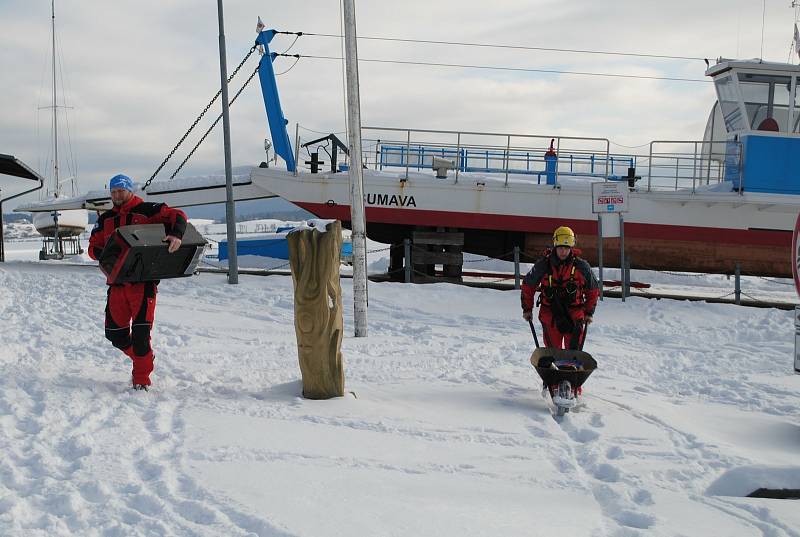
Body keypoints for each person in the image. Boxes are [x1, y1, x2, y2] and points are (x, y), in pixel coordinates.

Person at [88, 174, 188, 391]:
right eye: (113, 192)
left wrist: (176, 235)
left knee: (141, 336)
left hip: (143, 285)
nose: (116, 195)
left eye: (120, 191)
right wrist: (107, 255)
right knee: (115, 334)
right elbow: (92, 247)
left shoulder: (148, 210)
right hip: (116, 284)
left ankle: (141, 380)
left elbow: (178, 216)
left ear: (130, 191)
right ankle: (144, 358)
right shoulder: (105, 219)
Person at [521, 226, 600, 350]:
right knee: (553, 353)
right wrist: (527, 309)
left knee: (573, 354)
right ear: (555, 247)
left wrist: (589, 312)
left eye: (566, 248)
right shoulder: (543, 265)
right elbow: (528, 287)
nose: (563, 252)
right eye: (561, 248)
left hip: (575, 316)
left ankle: (571, 369)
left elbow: (593, 290)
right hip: (550, 316)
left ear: (571, 248)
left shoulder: (582, 267)